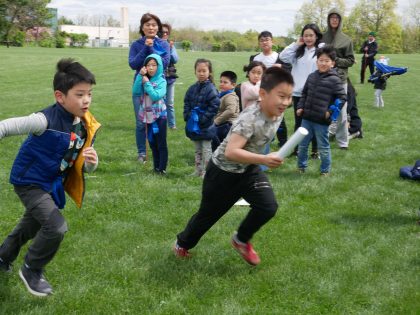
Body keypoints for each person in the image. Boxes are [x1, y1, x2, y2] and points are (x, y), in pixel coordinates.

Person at [173, 67, 294, 266]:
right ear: (263, 94)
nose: (286, 102)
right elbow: (231, 151)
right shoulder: (250, 118)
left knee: (268, 207)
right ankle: (182, 244)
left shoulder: (277, 112)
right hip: (223, 173)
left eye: (289, 97)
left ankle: (241, 239)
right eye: (281, 96)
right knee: (208, 215)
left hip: (248, 169)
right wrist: (264, 160)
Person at [0, 59, 100, 296]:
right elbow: (11, 125)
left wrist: (91, 164)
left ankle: (3, 257)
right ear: (60, 96)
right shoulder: (45, 120)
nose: (86, 100)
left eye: (89, 94)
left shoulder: (84, 125)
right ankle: (32, 269)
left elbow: (80, 164)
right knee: (56, 227)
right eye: (79, 94)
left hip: (50, 183)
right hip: (30, 181)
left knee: (30, 225)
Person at [296, 45, 347, 175]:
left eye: (327, 60)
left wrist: (330, 112)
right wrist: (300, 107)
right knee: (302, 146)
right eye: (321, 60)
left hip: (321, 121)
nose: (323, 63)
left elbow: (342, 97)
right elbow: (304, 94)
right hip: (306, 118)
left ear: (333, 63)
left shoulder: (335, 80)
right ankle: (301, 167)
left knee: (323, 147)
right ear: (317, 61)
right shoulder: (311, 76)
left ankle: (325, 170)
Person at [129, 13, 170, 163]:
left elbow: (164, 63)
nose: (151, 27)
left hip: (157, 86)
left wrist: (152, 48)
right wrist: (145, 48)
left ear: (158, 27)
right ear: (142, 27)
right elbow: (133, 64)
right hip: (140, 86)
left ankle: (157, 152)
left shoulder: (164, 44)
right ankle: (142, 153)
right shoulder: (136, 44)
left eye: (154, 25)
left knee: (157, 120)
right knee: (141, 122)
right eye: (147, 25)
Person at [279, 23, 324, 158]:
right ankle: (296, 148)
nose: (308, 38)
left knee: (316, 122)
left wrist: (321, 45)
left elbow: (328, 56)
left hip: (316, 91)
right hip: (299, 92)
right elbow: (283, 56)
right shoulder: (298, 52)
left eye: (311, 35)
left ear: (316, 36)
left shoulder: (320, 50)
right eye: (306, 36)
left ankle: (315, 150)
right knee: (299, 123)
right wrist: (296, 44)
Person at [323, 8, 355, 150]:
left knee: (341, 113)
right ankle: (322, 139)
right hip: (324, 78)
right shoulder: (322, 38)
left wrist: (336, 60)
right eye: (332, 17)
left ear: (340, 20)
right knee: (323, 110)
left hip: (340, 80)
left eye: (337, 18)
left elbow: (350, 60)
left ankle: (343, 142)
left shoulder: (346, 40)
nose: (334, 20)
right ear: (329, 20)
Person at [132, 54, 168, 174]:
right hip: (148, 116)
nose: (151, 68)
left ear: (159, 66)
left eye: (154, 65)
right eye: (148, 65)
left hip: (159, 117)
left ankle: (162, 169)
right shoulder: (144, 78)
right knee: (152, 143)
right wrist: (140, 76)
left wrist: (147, 83)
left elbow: (156, 95)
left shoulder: (162, 81)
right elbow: (136, 91)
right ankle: (156, 167)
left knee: (161, 143)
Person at [184, 59, 220, 177]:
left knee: (206, 149)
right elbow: (187, 103)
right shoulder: (192, 88)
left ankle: (207, 172)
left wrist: (203, 119)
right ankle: (198, 170)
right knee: (197, 149)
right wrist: (188, 116)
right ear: (195, 72)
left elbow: (214, 106)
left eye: (204, 71)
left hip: (206, 126)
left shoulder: (211, 89)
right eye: (199, 71)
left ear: (209, 72)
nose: (201, 73)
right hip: (194, 126)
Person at [211, 71, 240, 151]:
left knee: (214, 140)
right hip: (223, 125)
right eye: (221, 82)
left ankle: (216, 154)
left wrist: (216, 121)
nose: (221, 84)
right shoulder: (223, 94)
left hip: (227, 126)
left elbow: (231, 110)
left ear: (233, 85)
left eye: (225, 82)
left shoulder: (230, 96)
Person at [161, 23, 179, 130]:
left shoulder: (171, 45)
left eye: (167, 32)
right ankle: (161, 124)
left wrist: (171, 48)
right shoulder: (157, 44)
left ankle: (172, 125)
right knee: (160, 102)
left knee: (170, 103)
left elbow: (175, 59)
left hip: (170, 78)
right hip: (160, 78)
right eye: (162, 31)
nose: (165, 34)